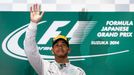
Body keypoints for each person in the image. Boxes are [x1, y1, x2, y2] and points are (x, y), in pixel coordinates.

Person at [24, 4, 86, 75]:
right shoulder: (45, 67)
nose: (60, 47)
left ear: (69, 50)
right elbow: (30, 51)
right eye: (56, 45)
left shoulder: (78, 72)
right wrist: (33, 24)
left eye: (63, 44)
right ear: (52, 51)